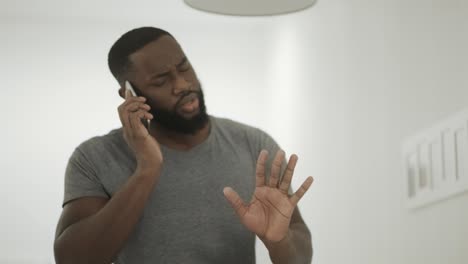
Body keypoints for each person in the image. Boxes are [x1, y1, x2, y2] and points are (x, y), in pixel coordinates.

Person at [53, 27, 314, 264]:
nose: (182, 84)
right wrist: (147, 168)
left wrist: (279, 242)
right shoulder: (95, 158)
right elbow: (72, 260)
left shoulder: (254, 145)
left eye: (184, 66)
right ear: (129, 94)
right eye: (161, 80)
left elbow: (299, 257)